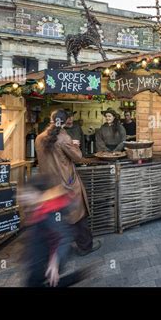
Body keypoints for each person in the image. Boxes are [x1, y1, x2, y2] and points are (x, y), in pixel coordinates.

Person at [35, 109, 100, 257]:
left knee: (55, 217)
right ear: (65, 121)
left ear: (51, 119)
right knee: (78, 216)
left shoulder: (39, 138)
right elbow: (78, 157)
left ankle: (54, 250)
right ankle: (85, 247)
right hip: (67, 184)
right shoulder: (63, 138)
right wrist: (74, 144)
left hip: (49, 186)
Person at [19, 174, 72, 287]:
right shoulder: (37, 208)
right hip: (38, 262)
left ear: (38, 194)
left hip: (45, 264)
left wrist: (55, 262)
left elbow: (64, 237)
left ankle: (77, 277)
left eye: (27, 192)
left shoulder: (49, 213)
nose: (22, 196)